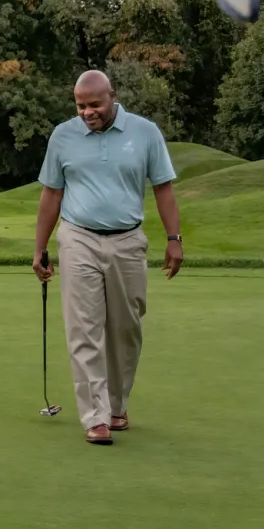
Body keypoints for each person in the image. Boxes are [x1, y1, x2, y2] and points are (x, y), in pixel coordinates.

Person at [33, 70, 184, 444]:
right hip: (78, 238)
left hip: (128, 241)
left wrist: (174, 238)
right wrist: (40, 248)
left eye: (95, 104)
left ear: (112, 97)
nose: (88, 112)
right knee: (84, 329)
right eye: (81, 106)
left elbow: (163, 188)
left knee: (126, 329)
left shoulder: (144, 132)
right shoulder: (63, 136)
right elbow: (51, 195)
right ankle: (95, 416)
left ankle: (117, 407)